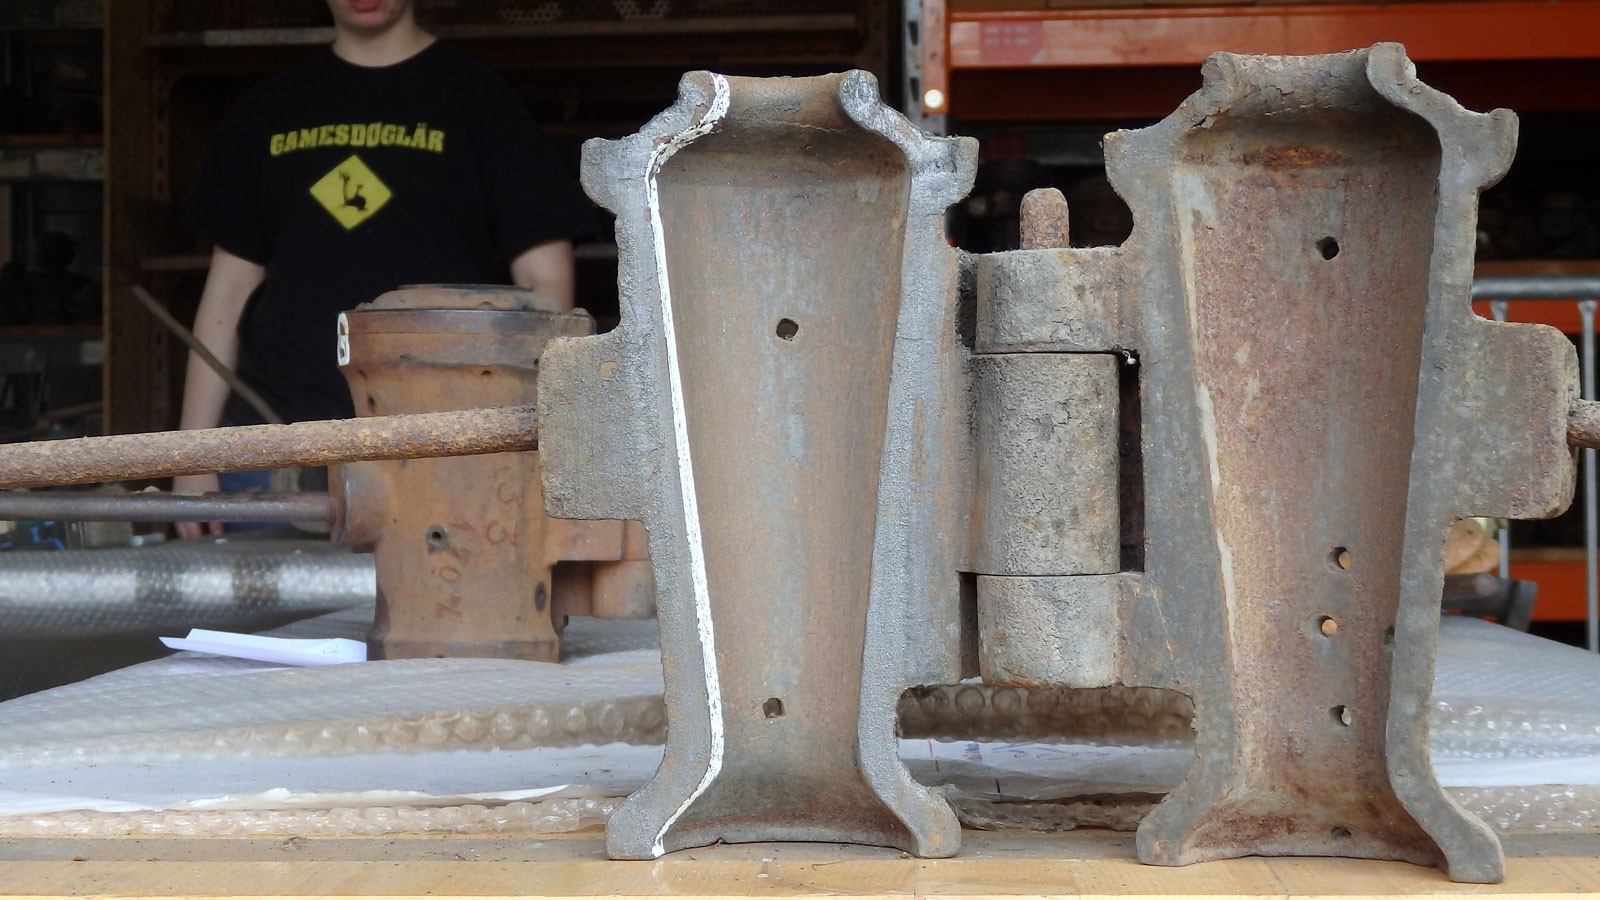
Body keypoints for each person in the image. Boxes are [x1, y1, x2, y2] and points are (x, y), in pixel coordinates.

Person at [173, 0, 593, 536]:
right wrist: (192, 453)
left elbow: (545, 284)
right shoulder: (267, 110)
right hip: (272, 445)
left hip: (441, 447)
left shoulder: (479, 100)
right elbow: (227, 293)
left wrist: (521, 431)